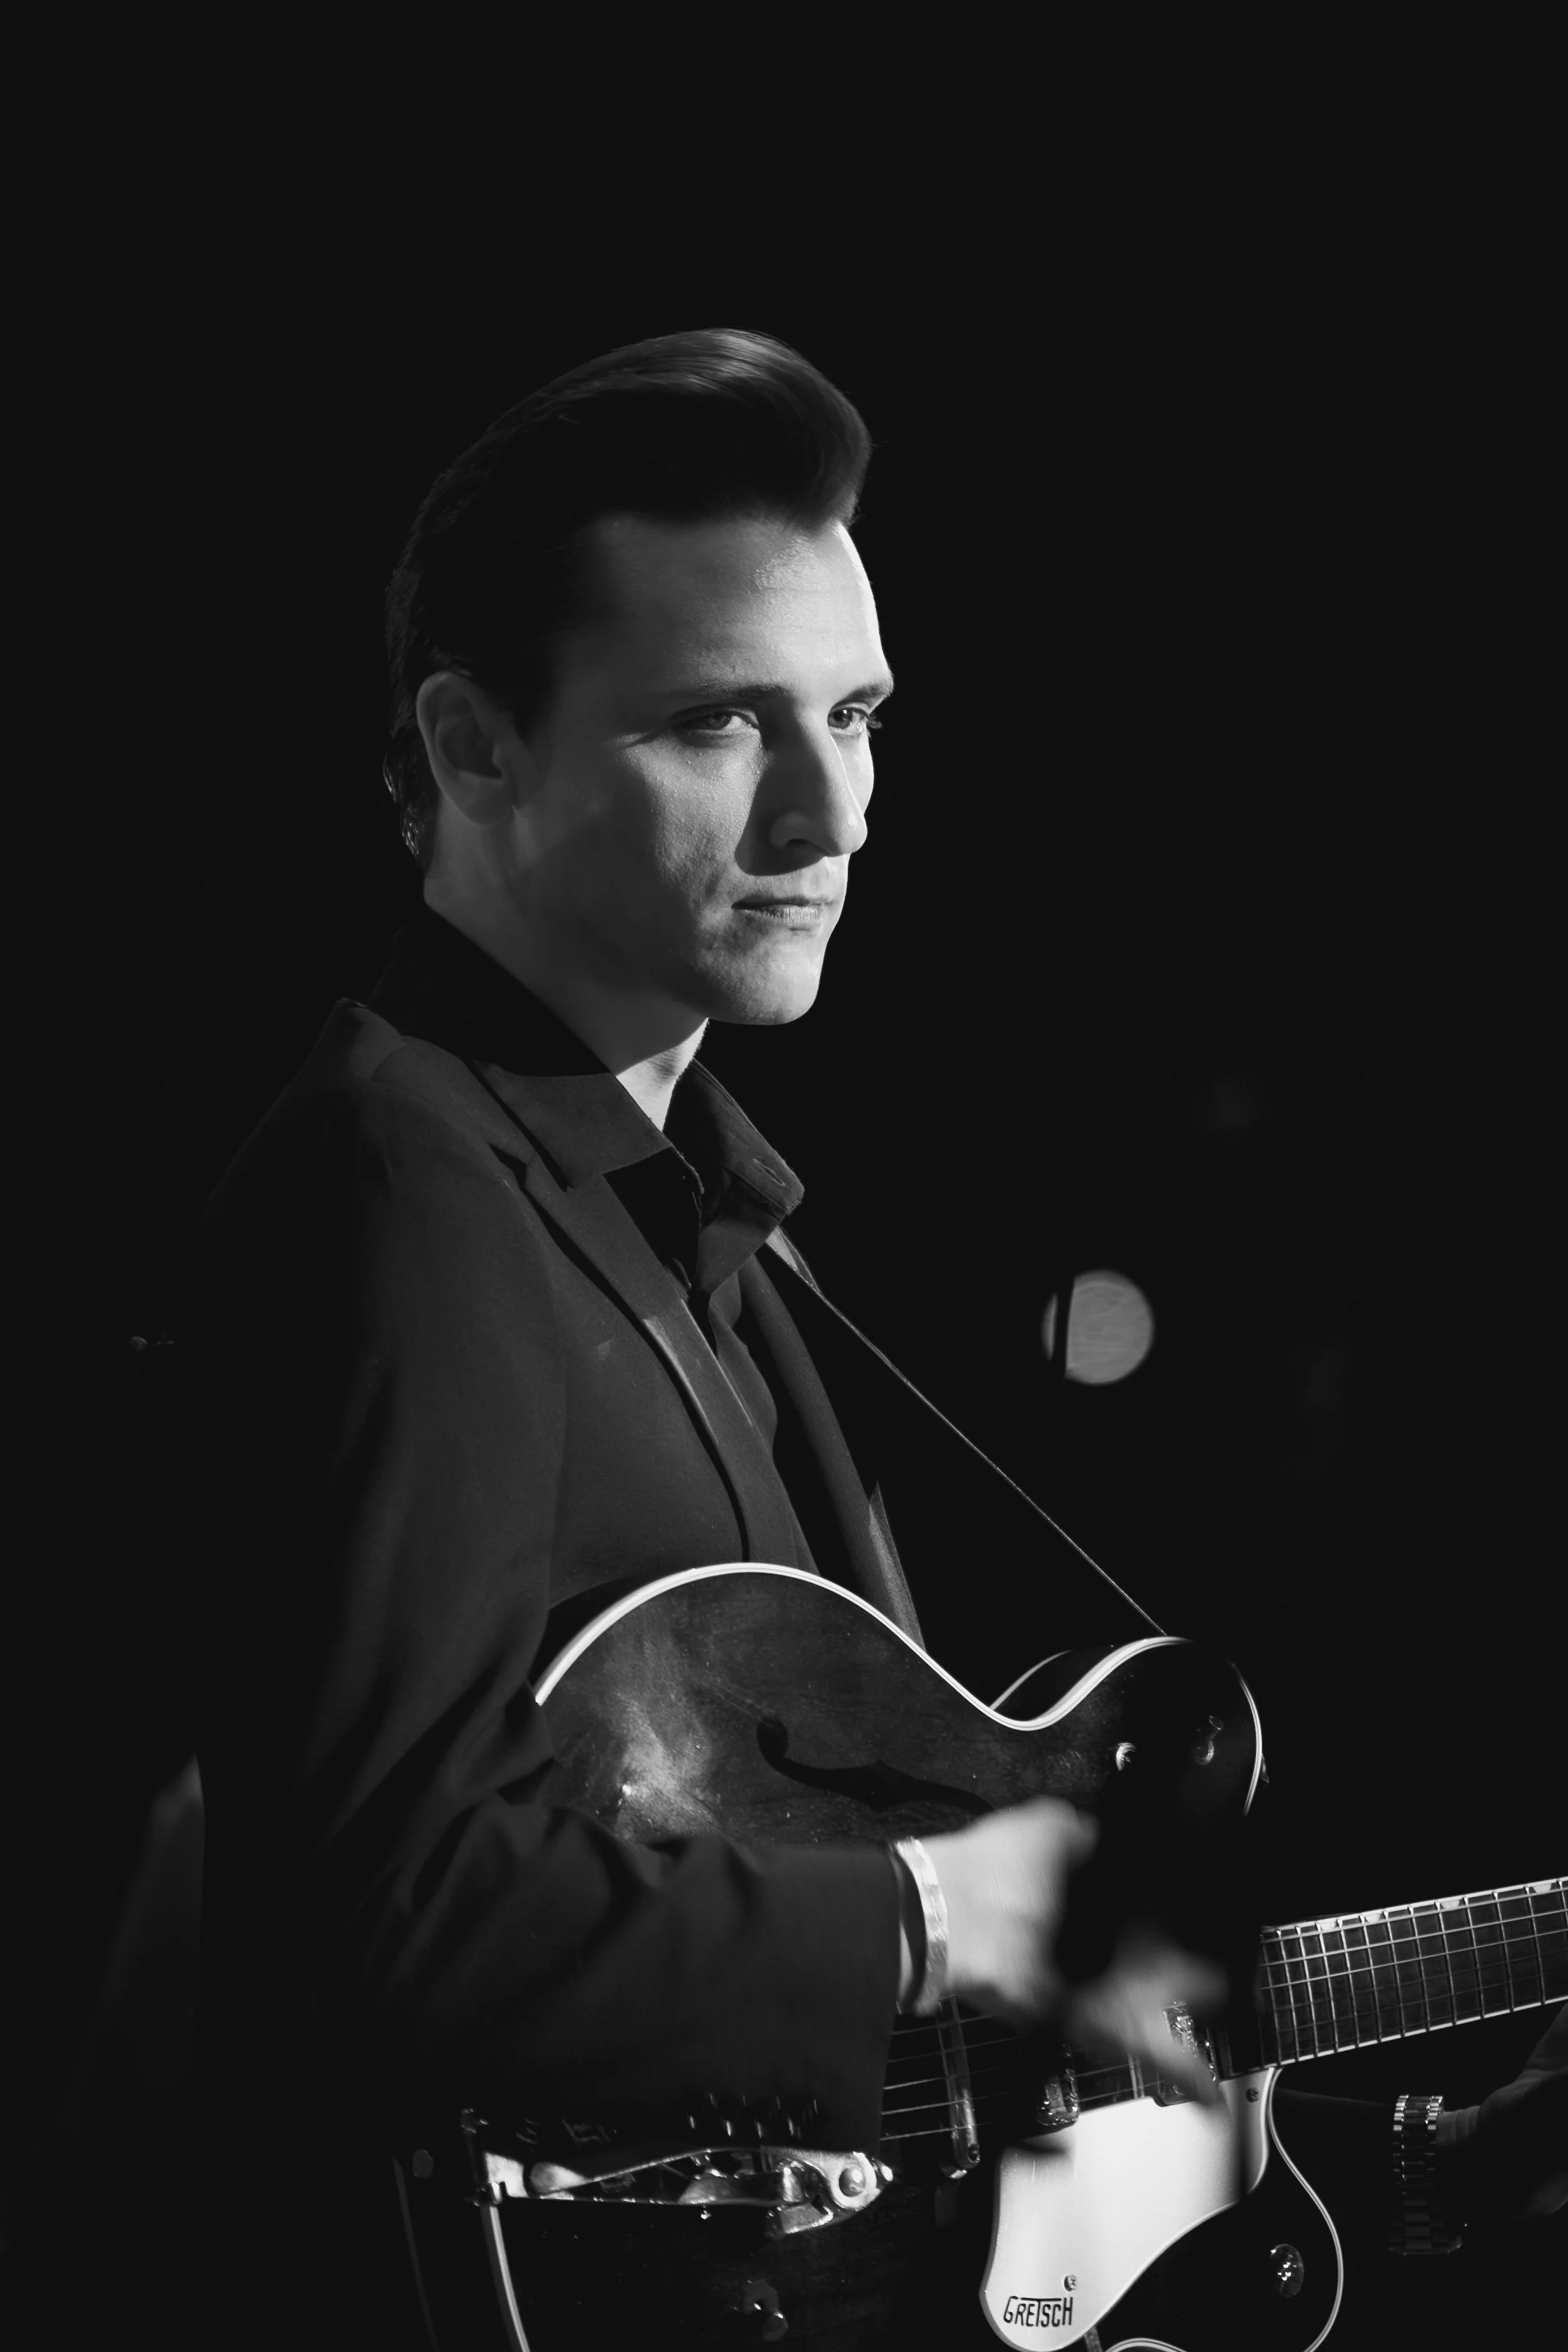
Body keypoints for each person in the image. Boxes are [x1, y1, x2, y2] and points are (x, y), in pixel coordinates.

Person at [153, 330, 1562, 2349]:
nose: (832, 813)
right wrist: (938, 1916)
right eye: (721, 724)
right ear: (471, 748)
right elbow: (397, 1916)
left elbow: (902, 2133)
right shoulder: (403, 1183)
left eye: (859, 712)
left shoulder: (700, 1217)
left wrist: (1447, 2167)